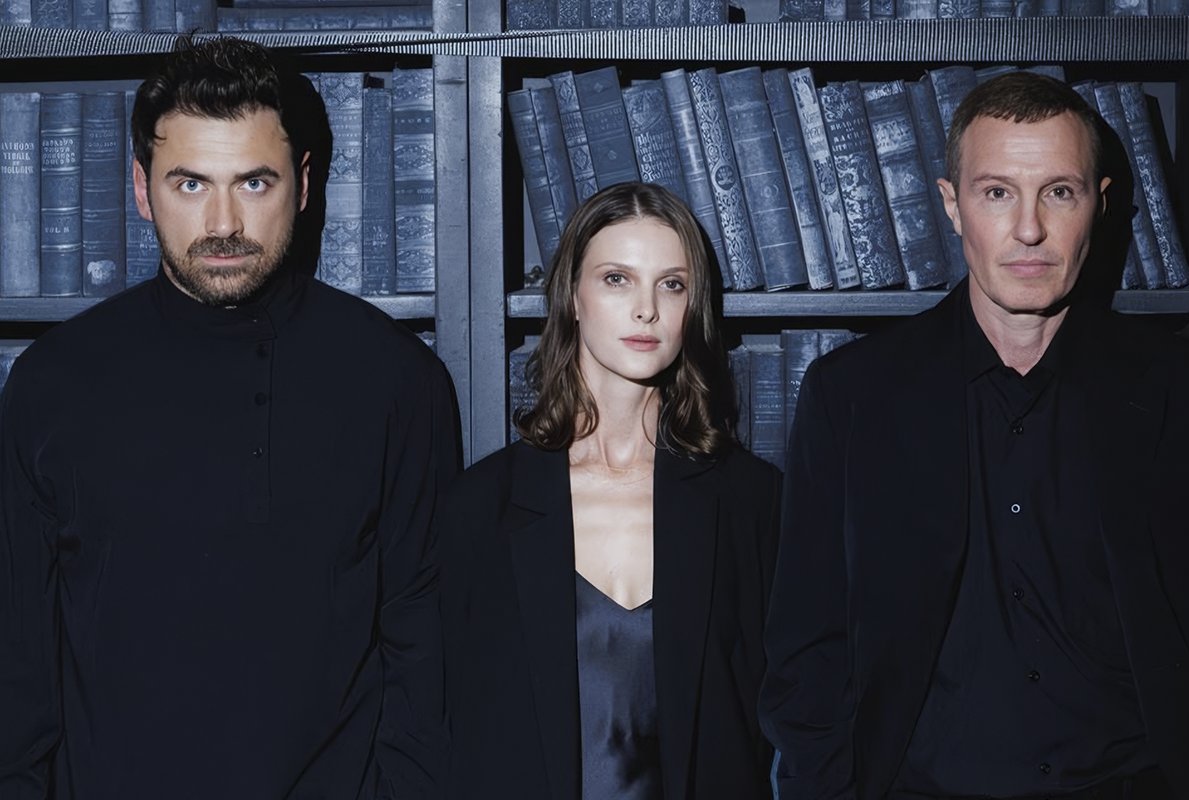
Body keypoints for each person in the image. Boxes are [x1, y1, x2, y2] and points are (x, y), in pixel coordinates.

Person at [0, 36, 459, 798]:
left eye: (253, 182)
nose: (223, 222)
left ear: (302, 185)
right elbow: (15, 671)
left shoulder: (397, 380)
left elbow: (425, 659)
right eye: (189, 184)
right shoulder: (51, 382)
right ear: (141, 189)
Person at [760, 71, 1189, 800]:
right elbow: (806, 649)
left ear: (1100, 204)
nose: (1029, 229)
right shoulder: (852, 395)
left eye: (1059, 192)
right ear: (951, 205)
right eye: (997, 192)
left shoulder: (1179, 391)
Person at [439, 181, 780, 800]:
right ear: (572, 296)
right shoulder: (478, 508)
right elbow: (455, 729)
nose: (646, 309)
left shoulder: (752, 502)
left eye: (671, 284)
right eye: (617, 279)